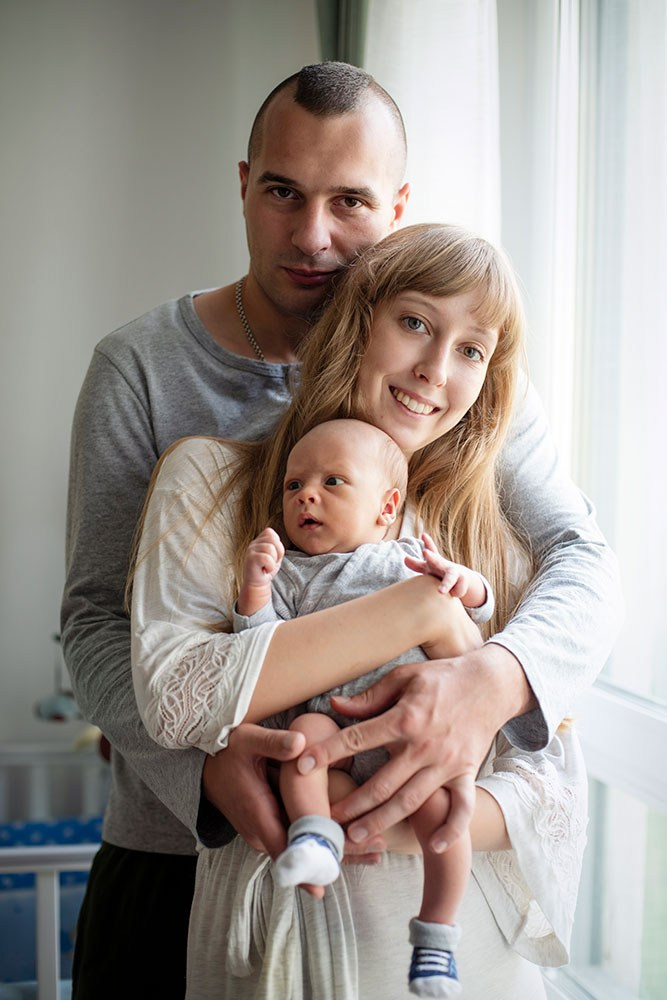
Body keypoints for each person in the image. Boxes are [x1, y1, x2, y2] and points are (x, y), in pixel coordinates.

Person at [62, 62, 620, 999]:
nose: (313, 236)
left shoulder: (457, 394)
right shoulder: (149, 378)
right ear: (246, 185)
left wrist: (489, 679)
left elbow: (580, 560)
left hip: (405, 890)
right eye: (284, 192)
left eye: (350, 202)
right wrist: (206, 773)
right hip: (182, 850)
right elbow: (94, 624)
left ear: (395, 208)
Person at [130, 224, 590, 999]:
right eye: (413, 322)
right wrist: (420, 617)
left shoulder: (493, 529)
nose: (434, 369)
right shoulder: (209, 482)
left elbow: (550, 782)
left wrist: (362, 813)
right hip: (275, 945)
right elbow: (177, 699)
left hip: (470, 952)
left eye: (471, 350)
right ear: (355, 321)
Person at [234, 418, 497, 997]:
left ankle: (437, 936)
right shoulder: (292, 573)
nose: (306, 495)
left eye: (332, 482)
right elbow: (258, 652)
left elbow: (479, 609)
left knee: (442, 820)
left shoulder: (408, 557)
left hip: (410, 732)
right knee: (302, 742)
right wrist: (255, 590)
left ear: (387, 507)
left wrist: (464, 582)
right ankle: (315, 838)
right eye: (294, 485)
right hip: (334, 725)